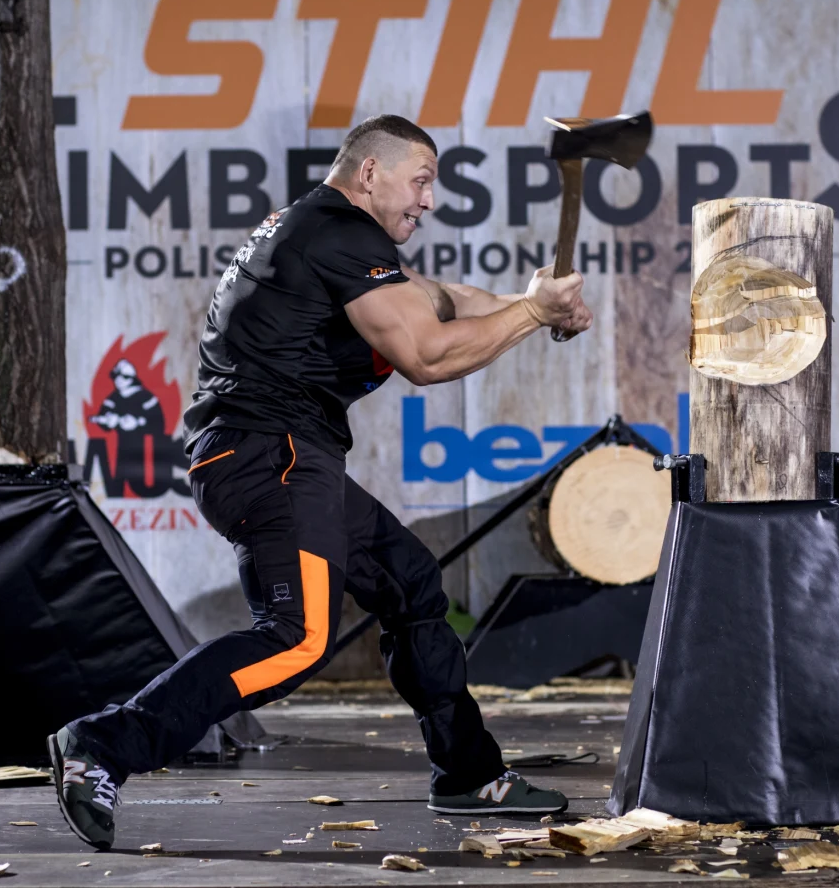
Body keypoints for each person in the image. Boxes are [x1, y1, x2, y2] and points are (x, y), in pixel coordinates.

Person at [48, 114, 593, 850]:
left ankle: (469, 773)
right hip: (268, 454)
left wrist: (531, 300)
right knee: (298, 639)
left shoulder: (326, 231)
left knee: (410, 582)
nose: (428, 200)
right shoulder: (338, 233)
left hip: (279, 454)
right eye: (420, 181)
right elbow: (428, 356)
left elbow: (437, 299)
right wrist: (530, 314)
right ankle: (103, 746)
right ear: (370, 173)